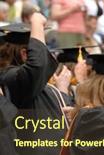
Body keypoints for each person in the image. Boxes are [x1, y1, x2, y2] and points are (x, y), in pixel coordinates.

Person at [0, 13, 67, 155]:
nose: (46, 54)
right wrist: (36, 22)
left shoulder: (24, 79)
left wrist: (63, 92)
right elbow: (39, 65)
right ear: (25, 54)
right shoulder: (8, 77)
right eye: (41, 48)